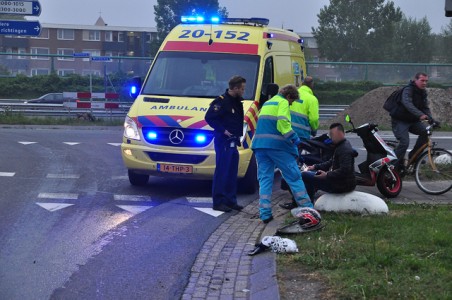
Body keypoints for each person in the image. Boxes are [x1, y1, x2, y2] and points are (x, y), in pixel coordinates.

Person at [251, 84, 313, 224]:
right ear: (289, 96)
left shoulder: (268, 103)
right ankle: (308, 211)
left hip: (260, 147)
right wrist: (296, 140)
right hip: (277, 147)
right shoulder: (283, 102)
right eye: (292, 102)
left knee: (265, 180)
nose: (290, 105)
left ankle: (265, 214)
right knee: (294, 177)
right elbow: (283, 124)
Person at [205, 75, 246, 212]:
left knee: (231, 171)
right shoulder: (221, 102)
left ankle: (230, 200)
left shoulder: (237, 101)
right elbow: (209, 118)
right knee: (222, 171)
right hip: (224, 141)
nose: (243, 91)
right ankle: (218, 202)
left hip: (233, 141)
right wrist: (223, 130)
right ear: (235, 88)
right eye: (242, 89)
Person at [280, 76, 320, 209]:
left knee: (289, 163)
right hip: (301, 137)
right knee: (297, 165)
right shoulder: (312, 99)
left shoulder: (290, 95)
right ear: (312, 85)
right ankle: (297, 198)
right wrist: (314, 131)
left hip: (287, 134)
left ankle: (289, 189)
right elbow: (313, 119)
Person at [390, 72, 434, 173]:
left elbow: (425, 107)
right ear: (415, 80)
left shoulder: (423, 92)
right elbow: (407, 104)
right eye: (422, 80)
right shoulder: (408, 89)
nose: (424, 83)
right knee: (404, 143)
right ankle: (391, 168)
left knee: (426, 133)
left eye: (426, 81)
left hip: (413, 121)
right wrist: (420, 115)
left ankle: (413, 158)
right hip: (400, 120)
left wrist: (431, 119)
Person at [302, 123, 356, 201]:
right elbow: (331, 161)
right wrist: (315, 166)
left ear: (340, 134)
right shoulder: (341, 145)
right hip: (340, 181)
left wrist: (327, 175)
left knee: (304, 175)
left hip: (342, 185)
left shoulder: (344, 149)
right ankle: (310, 198)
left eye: (332, 134)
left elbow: (345, 170)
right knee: (312, 172)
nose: (331, 137)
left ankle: (308, 203)